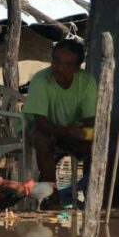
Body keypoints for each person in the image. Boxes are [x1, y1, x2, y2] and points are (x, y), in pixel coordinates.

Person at [22, 38, 96, 202]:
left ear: (77, 68)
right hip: (41, 130)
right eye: (56, 61)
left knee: (103, 143)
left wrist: (84, 134)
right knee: (43, 139)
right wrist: (69, 131)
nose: (59, 67)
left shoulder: (87, 81)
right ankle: (52, 196)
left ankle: (94, 193)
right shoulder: (41, 79)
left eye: (67, 64)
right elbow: (41, 123)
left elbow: (91, 120)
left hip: (70, 131)